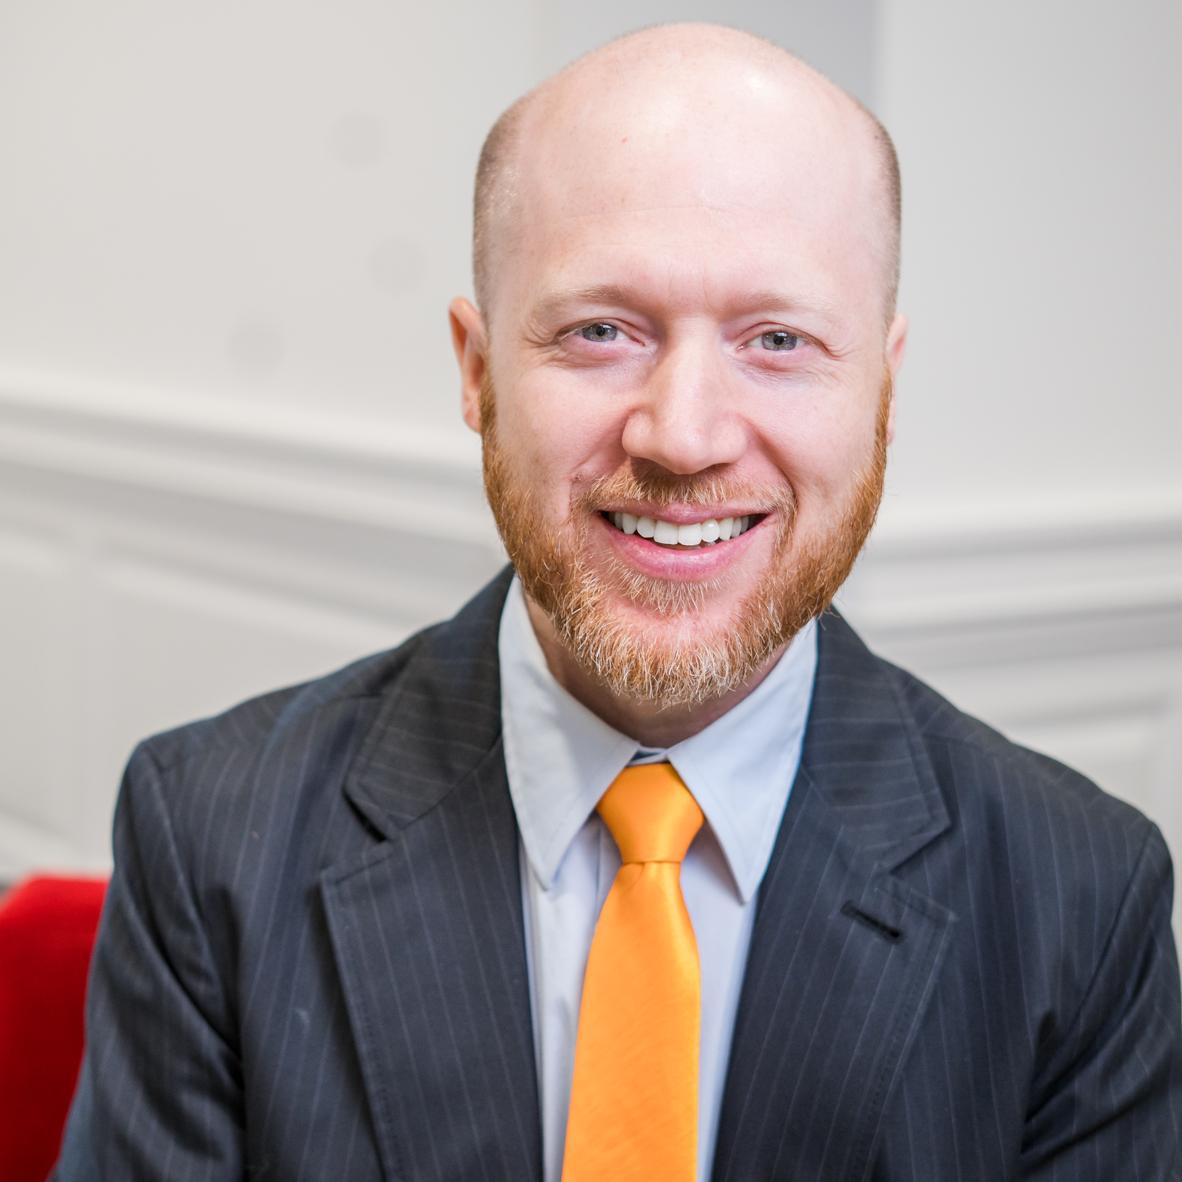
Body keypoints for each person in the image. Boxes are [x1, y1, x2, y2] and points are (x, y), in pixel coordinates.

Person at [55, 22, 1181, 1182]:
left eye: (778, 339)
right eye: (601, 331)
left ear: (884, 391)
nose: (683, 437)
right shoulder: (209, 833)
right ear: (478, 372)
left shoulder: (1082, 902)